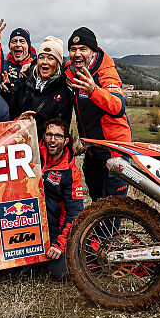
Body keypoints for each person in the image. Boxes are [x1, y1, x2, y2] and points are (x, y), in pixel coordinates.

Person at [64, 27, 132, 199]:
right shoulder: (71, 71)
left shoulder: (106, 73)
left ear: (93, 52)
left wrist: (93, 90)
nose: (77, 54)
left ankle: (112, 227)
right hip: (93, 150)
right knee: (96, 202)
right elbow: (55, 65)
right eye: (73, 49)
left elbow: (118, 107)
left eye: (83, 49)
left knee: (112, 206)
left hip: (115, 151)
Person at [40, 118, 84, 279]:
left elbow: (75, 213)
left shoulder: (71, 172)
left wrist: (59, 244)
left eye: (58, 136)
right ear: (43, 137)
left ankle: (81, 252)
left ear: (66, 141)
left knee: (61, 274)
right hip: (29, 227)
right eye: (49, 135)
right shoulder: (31, 154)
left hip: (55, 231)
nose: (52, 140)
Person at [8, 36, 73, 127]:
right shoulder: (25, 82)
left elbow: (61, 128)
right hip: (21, 138)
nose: (44, 62)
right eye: (41, 57)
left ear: (58, 63)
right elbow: (11, 113)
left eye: (51, 58)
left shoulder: (63, 92)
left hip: (47, 140)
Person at [0, 27, 37, 91]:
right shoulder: (4, 66)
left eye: (22, 41)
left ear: (28, 46)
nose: (17, 44)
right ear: (9, 46)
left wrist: (33, 66)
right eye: (14, 41)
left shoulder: (38, 65)